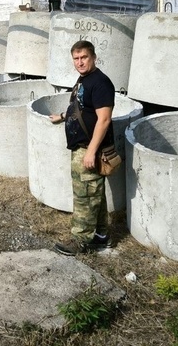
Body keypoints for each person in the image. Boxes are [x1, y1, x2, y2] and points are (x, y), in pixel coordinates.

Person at [49, 39, 115, 255]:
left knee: (85, 195)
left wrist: (91, 151)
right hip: (83, 148)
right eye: (76, 58)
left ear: (94, 57)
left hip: (89, 149)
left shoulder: (101, 83)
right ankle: (101, 236)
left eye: (84, 57)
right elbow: (79, 108)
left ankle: (80, 240)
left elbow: (104, 119)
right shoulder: (84, 80)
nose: (80, 62)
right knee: (95, 194)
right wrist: (60, 116)